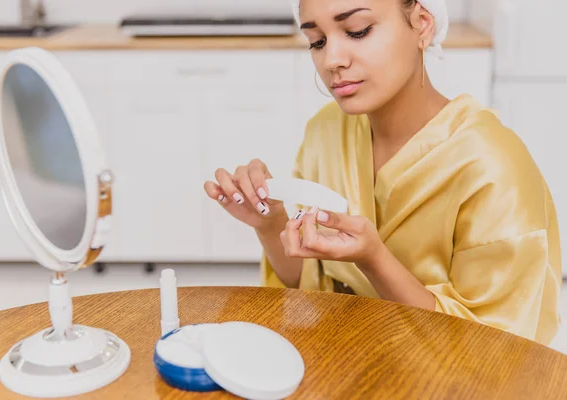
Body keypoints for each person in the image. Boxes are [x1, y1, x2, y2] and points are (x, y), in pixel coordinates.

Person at [203, 0, 562, 346]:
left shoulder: (491, 168)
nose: (332, 60)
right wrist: (269, 223)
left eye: (357, 31)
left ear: (422, 23)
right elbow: (314, 287)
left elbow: (496, 350)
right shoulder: (326, 133)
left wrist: (374, 261)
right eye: (317, 41)